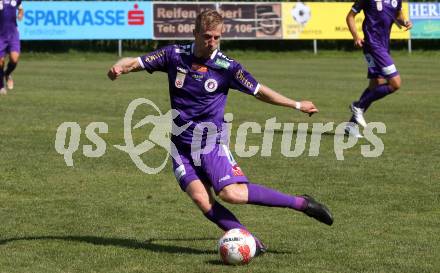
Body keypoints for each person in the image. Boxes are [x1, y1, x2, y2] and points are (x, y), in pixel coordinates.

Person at [107, 10, 333, 254]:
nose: (212, 42)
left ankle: (301, 203)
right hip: (180, 146)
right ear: (195, 34)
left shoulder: (227, 67)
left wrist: (296, 104)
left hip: (210, 143)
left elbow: (259, 91)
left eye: (217, 37)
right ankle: (248, 240)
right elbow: (136, 61)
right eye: (207, 36)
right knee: (202, 200)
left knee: (231, 194)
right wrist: (120, 68)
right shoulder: (174, 55)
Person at [345, 0, 412, 137]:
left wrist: (405, 21)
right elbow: (350, 16)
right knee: (395, 83)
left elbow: (397, 15)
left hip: (384, 46)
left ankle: (351, 126)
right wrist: (356, 36)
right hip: (373, 45)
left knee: (377, 84)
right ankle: (358, 105)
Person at [0, 0, 23, 95]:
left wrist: (20, 14)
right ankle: (1, 86)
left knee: (14, 59)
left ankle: (7, 74)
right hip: (1, 35)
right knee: (0, 62)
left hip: (13, 34)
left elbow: (21, 9)